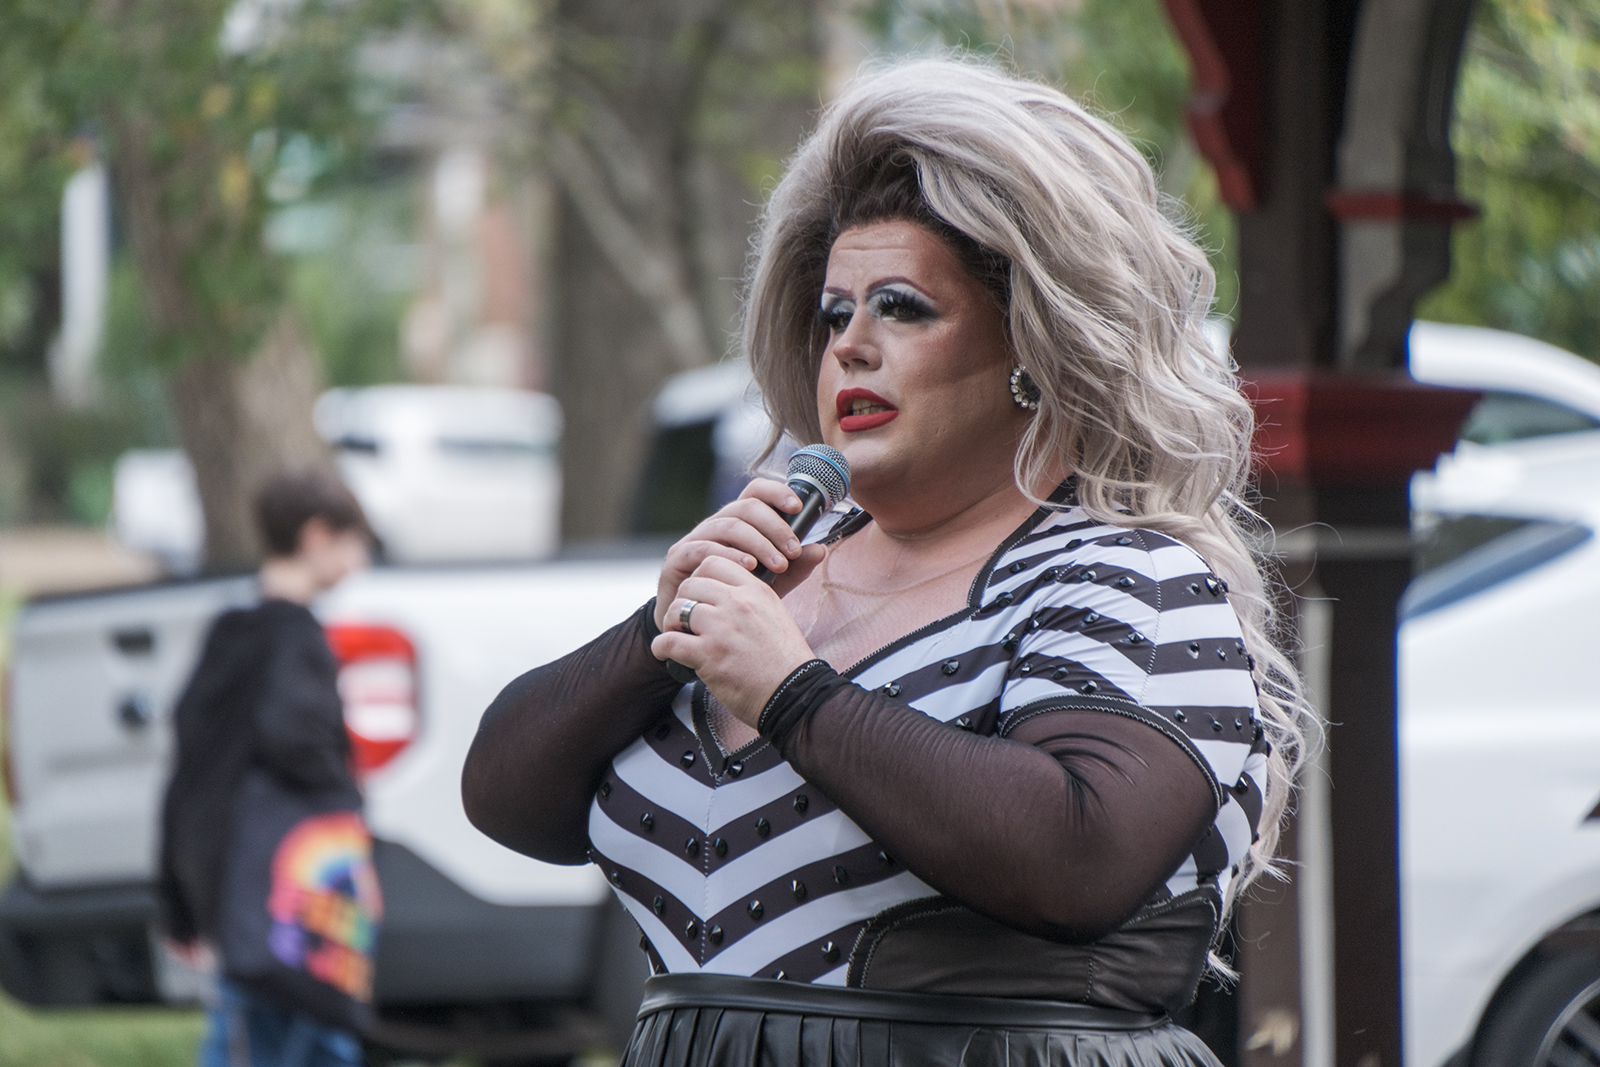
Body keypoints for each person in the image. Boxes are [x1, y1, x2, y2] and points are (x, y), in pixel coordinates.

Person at [461, 57, 1314, 1067]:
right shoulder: (768, 586)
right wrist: (659, 630)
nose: (851, 346)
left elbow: (1078, 856)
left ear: (1029, 348)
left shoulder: (1127, 577)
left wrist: (792, 693)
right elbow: (508, 800)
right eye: (835, 314)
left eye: (902, 307)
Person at [159, 469, 373, 1067]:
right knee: (306, 1039)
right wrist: (348, 806)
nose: (360, 562)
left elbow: (188, 772)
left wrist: (178, 900)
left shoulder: (228, 635)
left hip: (233, 893)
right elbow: (296, 738)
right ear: (317, 536)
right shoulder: (298, 638)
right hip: (295, 908)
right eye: (355, 543)